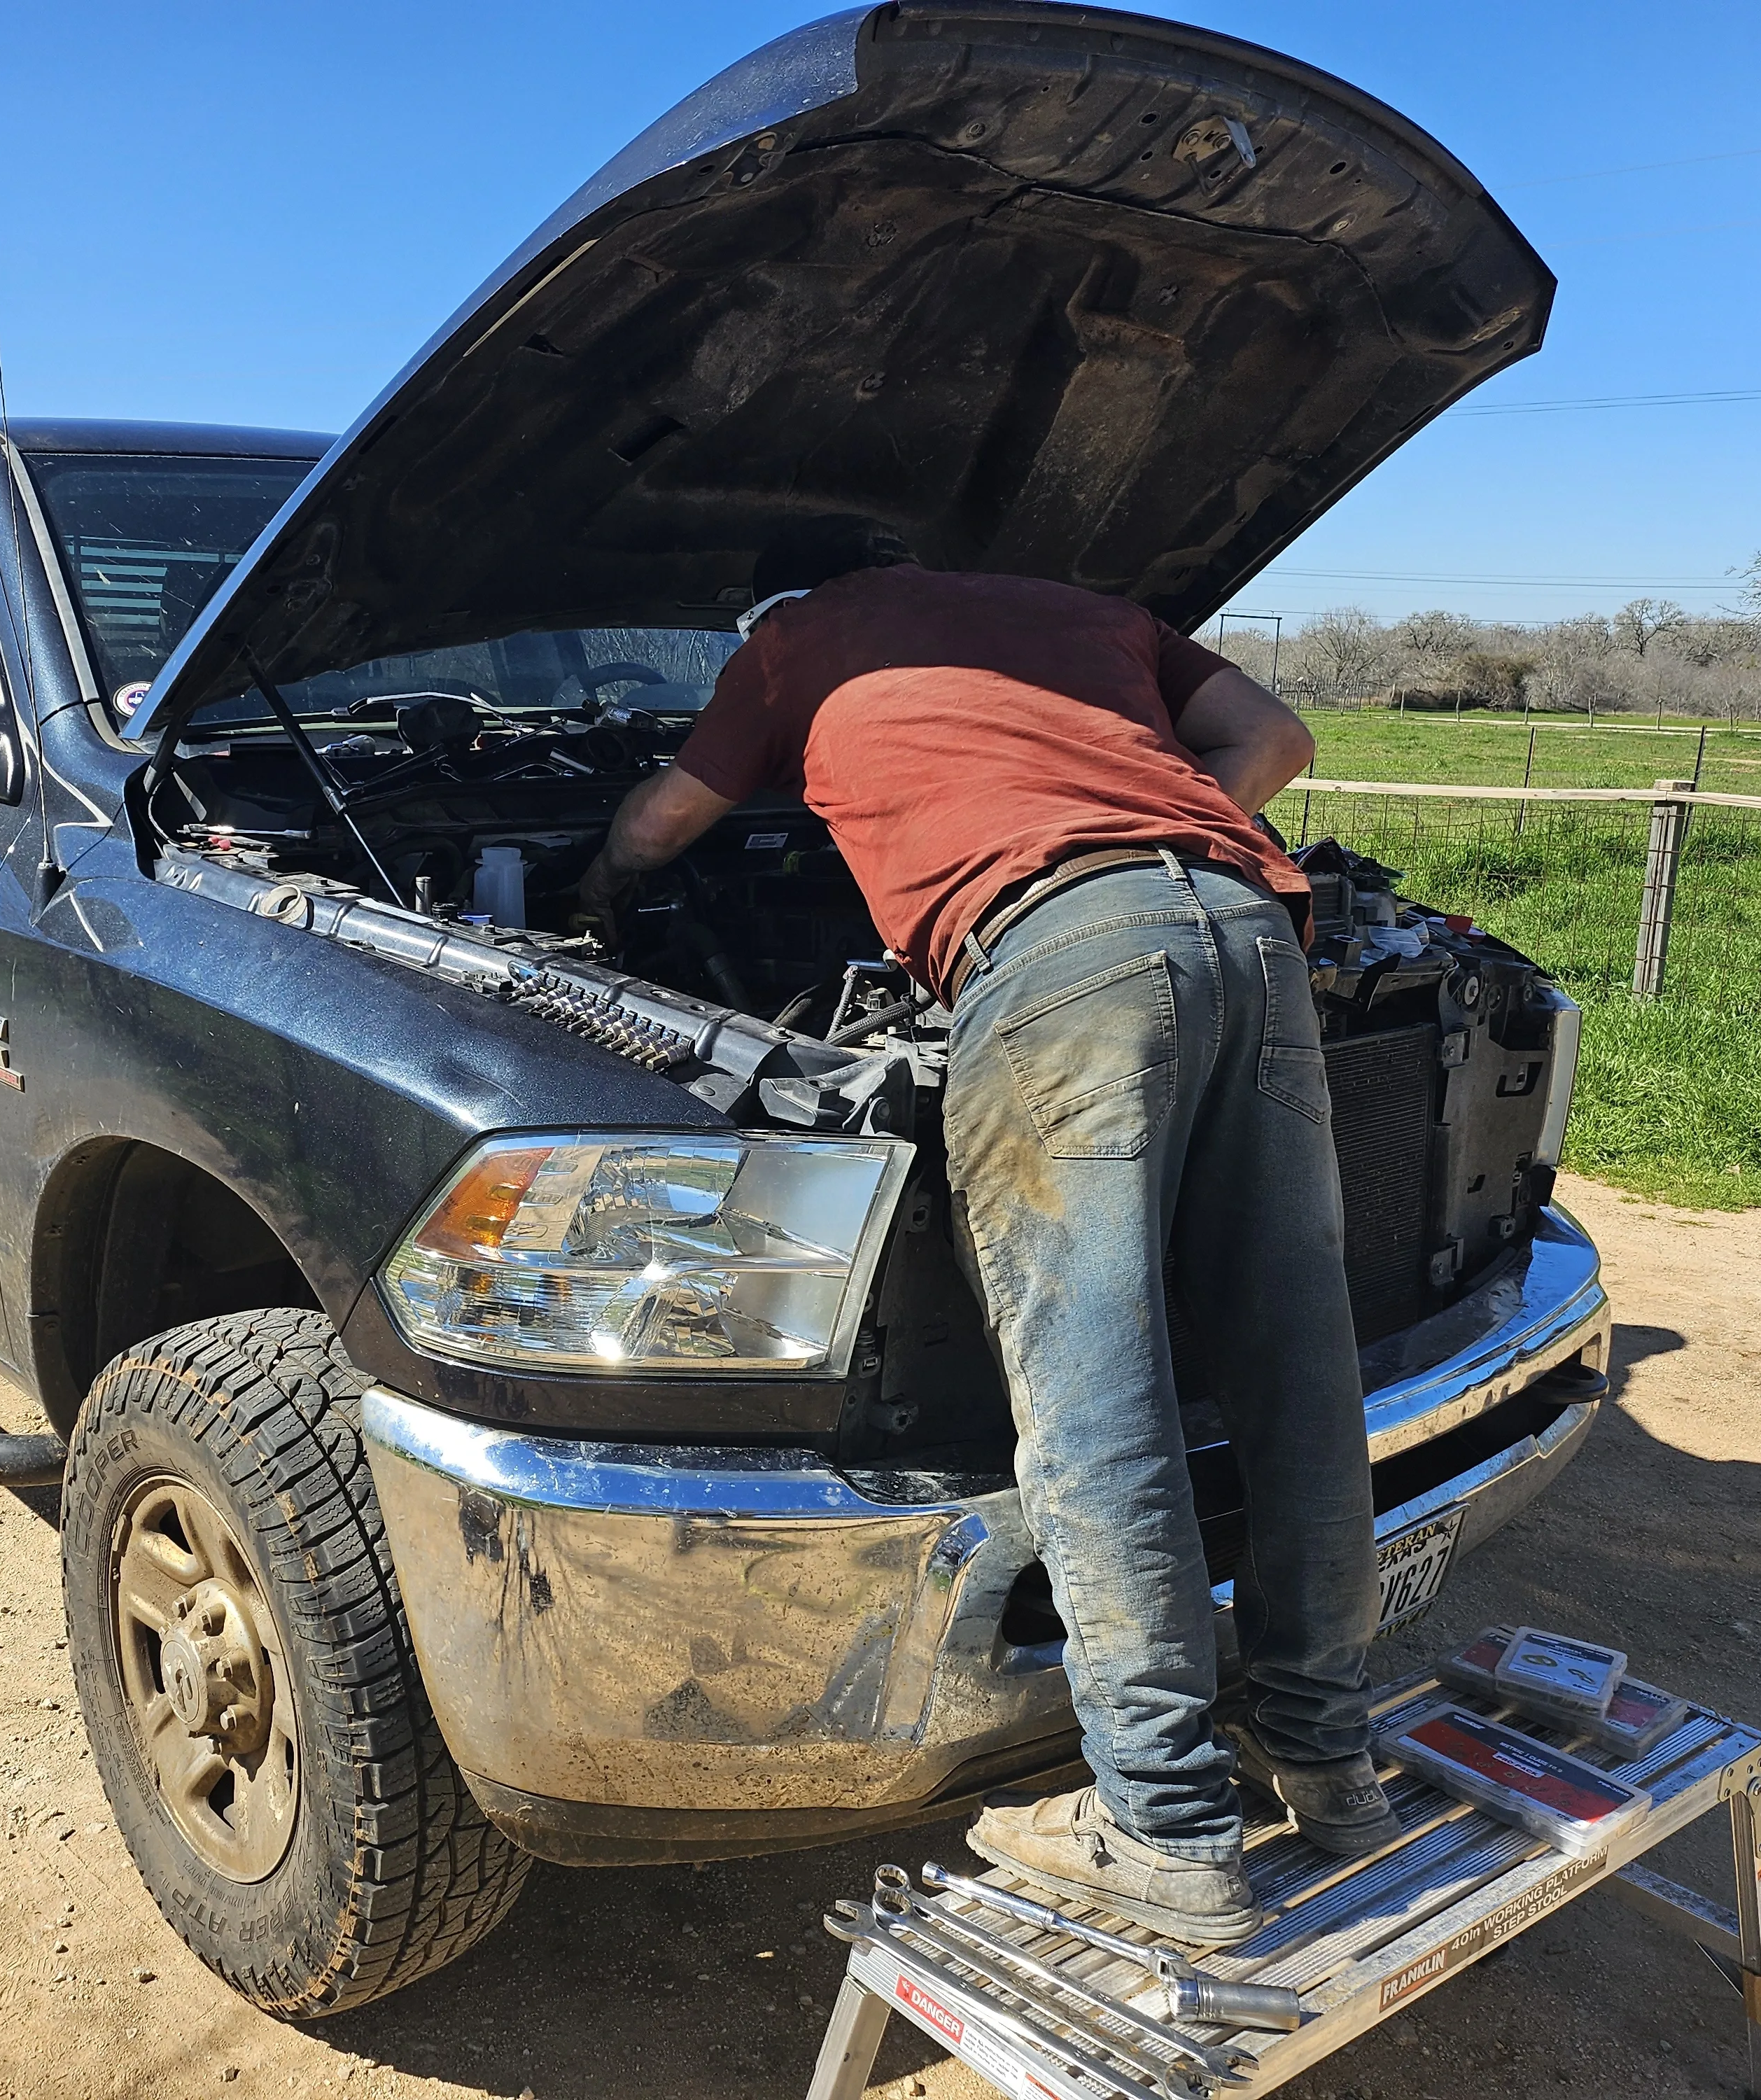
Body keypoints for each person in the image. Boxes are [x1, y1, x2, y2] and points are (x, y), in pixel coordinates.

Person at [574, 517, 1398, 1944]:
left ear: (797, 585)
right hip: (1249, 931)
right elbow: (1273, 739)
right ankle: (1327, 1760)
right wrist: (1145, 844)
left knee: (1094, 1402)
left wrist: (594, 898)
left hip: (1058, 958)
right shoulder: (1085, 604)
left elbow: (662, 824)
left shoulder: (794, 640)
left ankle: (1162, 1824)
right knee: (1295, 1371)